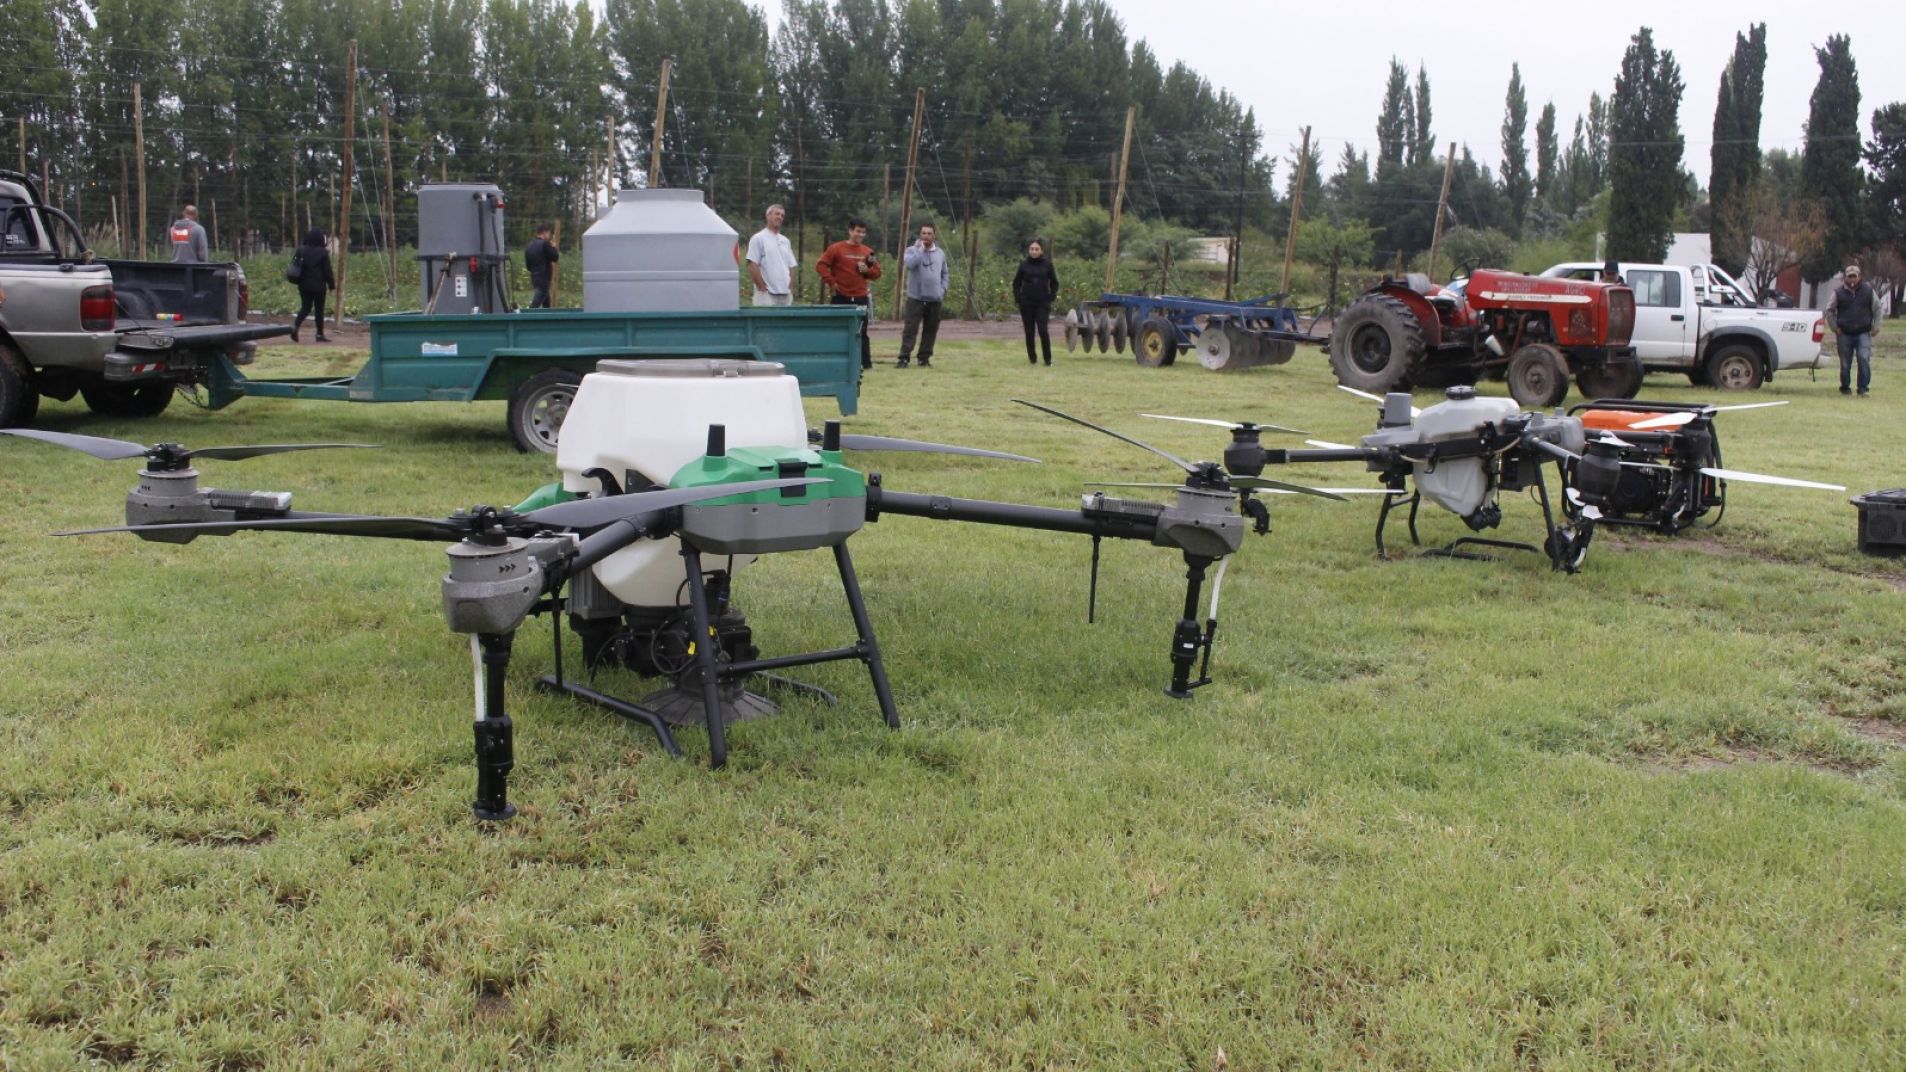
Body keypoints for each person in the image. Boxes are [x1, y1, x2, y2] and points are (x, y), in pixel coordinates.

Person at [816, 217, 882, 370]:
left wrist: (868, 271)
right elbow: (820, 265)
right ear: (850, 231)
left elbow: (877, 272)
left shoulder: (868, 252)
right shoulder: (836, 249)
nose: (860, 235)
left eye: (863, 232)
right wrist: (831, 282)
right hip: (841, 296)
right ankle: (834, 362)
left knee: (862, 332)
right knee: (837, 331)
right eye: (858, 231)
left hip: (860, 297)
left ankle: (866, 364)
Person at [896, 222, 948, 368]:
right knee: (910, 329)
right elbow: (910, 265)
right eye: (923, 233)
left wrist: (942, 290)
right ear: (920, 234)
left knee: (930, 330)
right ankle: (904, 358)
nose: (926, 236)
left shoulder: (940, 253)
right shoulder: (911, 250)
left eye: (929, 233)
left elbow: (945, 274)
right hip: (916, 298)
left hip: (935, 299)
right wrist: (920, 250)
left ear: (934, 235)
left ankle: (924, 358)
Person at [1826, 263, 1882, 396]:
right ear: (1845, 278)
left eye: (1854, 276)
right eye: (1849, 276)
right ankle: (1845, 387)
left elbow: (1878, 308)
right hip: (1844, 333)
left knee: (1863, 358)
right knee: (1845, 363)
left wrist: (1876, 326)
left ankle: (1863, 388)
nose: (1852, 279)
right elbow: (1829, 310)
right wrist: (1835, 327)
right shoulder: (1838, 293)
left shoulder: (1868, 290)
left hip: (1863, 332)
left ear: (1859, 277)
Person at [1012, 237, 1060, 366]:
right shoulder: (1023, 265)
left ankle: (1048, 360)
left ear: (1041, 250)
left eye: (1036, 249)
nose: (1034, 251)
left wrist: (1051, 297)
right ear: (1029, 250)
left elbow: (1055, 283)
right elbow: (1016, 283)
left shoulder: (1047, 265)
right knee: (1029, 331)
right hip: (1026, 303)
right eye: (1032, 249)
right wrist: (1018, 298)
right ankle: (1032, 359)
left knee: (1043, 330)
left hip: (1042, 303)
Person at [289, 228, 335, 343]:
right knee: (319, 310)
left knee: (305, 308)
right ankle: (319, 334)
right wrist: (331, 285)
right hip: (319, 286)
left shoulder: (301, 250)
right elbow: (327, 271)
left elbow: (295, 265)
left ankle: (294, 328)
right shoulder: (323, 253)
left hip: (303, 285)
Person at [746, 204, 797, 306]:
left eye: (782, 215)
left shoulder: (785, 241)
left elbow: (791, 266)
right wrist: (762, 288)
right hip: (767, 295)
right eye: (777, 214)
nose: (780, 217)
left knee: (784, 322)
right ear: (768, 215)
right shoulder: (758, 238)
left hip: (785, 295)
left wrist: (790, 288)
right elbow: (752, 264)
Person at [524, 224, 560, 309]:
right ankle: (526, 319)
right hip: (544, 278)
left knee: (546, 303)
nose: (549, 236)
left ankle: (547, 320)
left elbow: (528, 266)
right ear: (544, 233)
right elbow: (555, 257)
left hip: (534, 278)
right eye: (548, 233)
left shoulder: (529, 246)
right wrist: (554, 247)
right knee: (535, 305)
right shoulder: (545, 244)